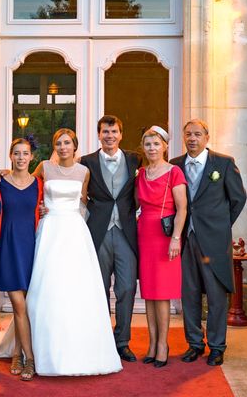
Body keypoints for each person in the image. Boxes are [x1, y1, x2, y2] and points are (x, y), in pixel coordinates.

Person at [26, 128, 122, 376]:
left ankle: (78, 345)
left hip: (74, 231)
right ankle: (41, 345)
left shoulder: (84, 172)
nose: (62, 147)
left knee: (75, 287)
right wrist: (39, 207)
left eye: (67, 143)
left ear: (75, 146)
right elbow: (27, 187)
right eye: (58, 143)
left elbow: (83, 202)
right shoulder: (44, 167)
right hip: (50, 231)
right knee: (48, 285)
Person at [170, 119, 247, 366]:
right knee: (189, 293)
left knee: (216, 295)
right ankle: (194, 344)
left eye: (197, 134)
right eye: (188, 134)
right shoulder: (175, 165)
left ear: (206, 137)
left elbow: (238, 199)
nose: (192, 138)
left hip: (214, 239)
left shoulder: (223, 163)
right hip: (186, 239)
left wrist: (221, 226)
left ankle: (216, 346)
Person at [79, 115, 140, 362]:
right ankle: (102, 339)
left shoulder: (136, 159)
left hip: (126, 231)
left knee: (126, 287)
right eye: (105, 132)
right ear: (98, 134)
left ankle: (122, 341)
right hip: (98, 231)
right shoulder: (86, 162)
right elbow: (64, 175)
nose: (110, 136)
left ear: (121, 134)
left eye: (114, 131)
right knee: (99, 288)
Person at [0, 138, 42, 381]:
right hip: (8, 249)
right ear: (10, 156)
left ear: (32, 157)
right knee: (20, 306)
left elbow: (43, 212)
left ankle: (17, 354)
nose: (21, 158)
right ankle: (29, 361)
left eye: (25, 153)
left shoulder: (39, 184)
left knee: (28, 307)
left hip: (31, 248)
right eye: (17, 153)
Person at [135, 126, 187, 368]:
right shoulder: (141, 173)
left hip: (165, 234)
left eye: (156, 144)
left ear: (165, 146)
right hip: (144, 231)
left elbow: (182, 208)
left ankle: (163, 345)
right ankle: (152, 343)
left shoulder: (174, 172)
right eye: (148, 144)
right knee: (148, 292)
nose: (152, 148)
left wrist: (176, 237)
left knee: (162, 293)